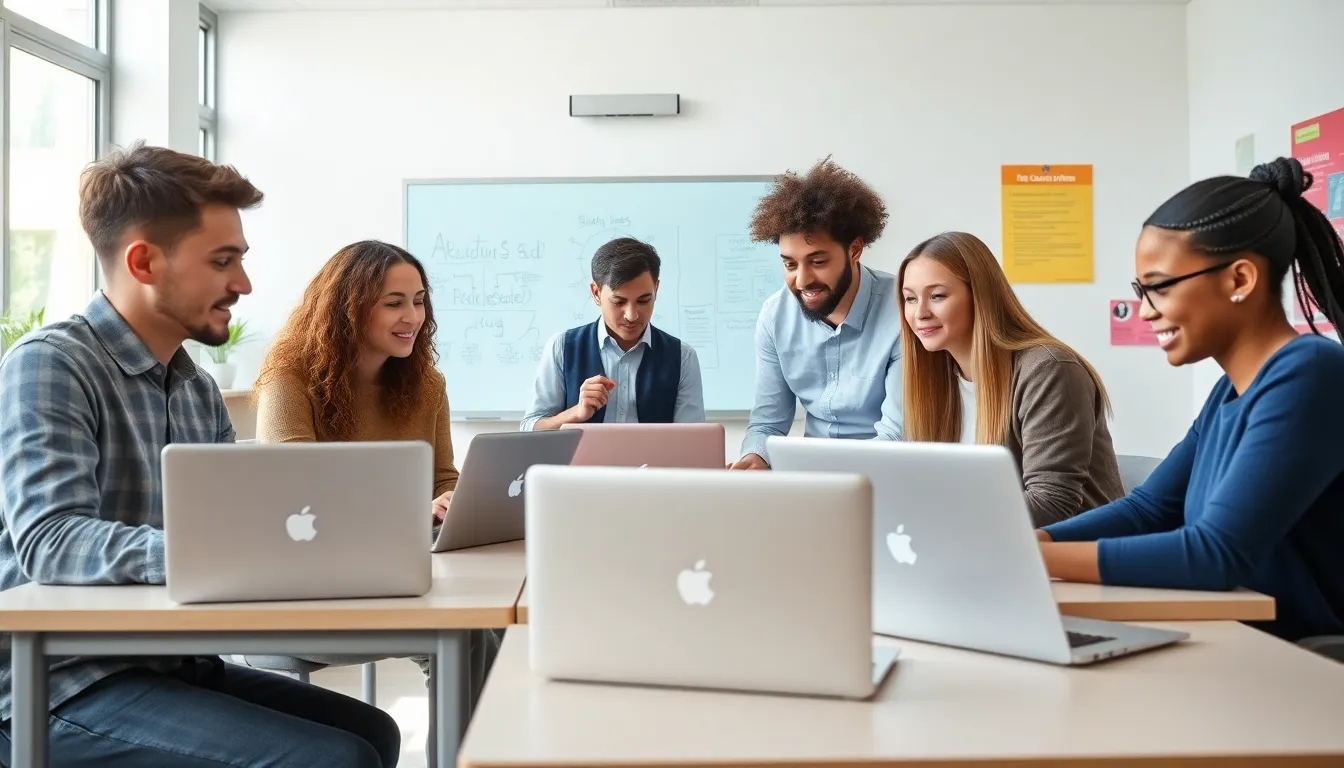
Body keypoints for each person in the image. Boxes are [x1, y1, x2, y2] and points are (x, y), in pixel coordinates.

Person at [0, 143, 400, 766]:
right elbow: (50, 540)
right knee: (332, 758)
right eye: (223, 261)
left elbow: (252, 518)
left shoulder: (195, 386)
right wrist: (217, 550)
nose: (244, 284)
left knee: (375, 734)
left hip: (167, 658)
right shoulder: (51, 364)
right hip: (61, 682)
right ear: (143, 262)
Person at [1037, 157, 1344, 643]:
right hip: (1236, 639)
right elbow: (1147, 511)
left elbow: (1215, 555)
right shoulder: (1231, 390)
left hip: (1305, 665)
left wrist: (1030, 558)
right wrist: (1042, 538)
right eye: (1142, 290)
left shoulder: (1312, 374)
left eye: (1159, 287)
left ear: (1240, 280)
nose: (1144, 310)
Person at [251, 241, 499, 705]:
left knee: (484, 632)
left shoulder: (425, 384)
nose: (413, 316)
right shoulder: (288, 378)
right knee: (467, 634)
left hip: (386, 578)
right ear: (349, 309)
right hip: (302, 594)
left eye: (419, 300)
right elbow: (294, 499)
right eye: (394, 303)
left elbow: (442, 475)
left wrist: (455, 501)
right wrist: (412, 514)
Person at [899, 231, 1123, 525]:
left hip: (1067, 554)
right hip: (983, 550)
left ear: (981, 296)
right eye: (910, 299)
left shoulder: (1048, 369)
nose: (920, 313)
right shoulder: (936, 380)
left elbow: (1051, 502)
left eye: (937, 296)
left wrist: (942, 523)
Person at [730, 157, 902, 469]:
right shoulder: (774, 317)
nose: (802, 280)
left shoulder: (902, 309)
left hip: (885, 476)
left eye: (818, 261)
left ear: (855, 250)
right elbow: (768, 423)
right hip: (812, 482)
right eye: (790, 264)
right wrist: (755, 456)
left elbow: (896, 435)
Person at [521, 236, 705, 430]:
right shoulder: (562, 347)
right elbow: (530, 428)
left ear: (656, 289)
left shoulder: (682, 357)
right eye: (618, 302)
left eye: (643, 300)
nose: (632, 315)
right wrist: (575, 413)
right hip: (581, 461)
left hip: (655, 461)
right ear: (595, 293)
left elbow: (694, 442)